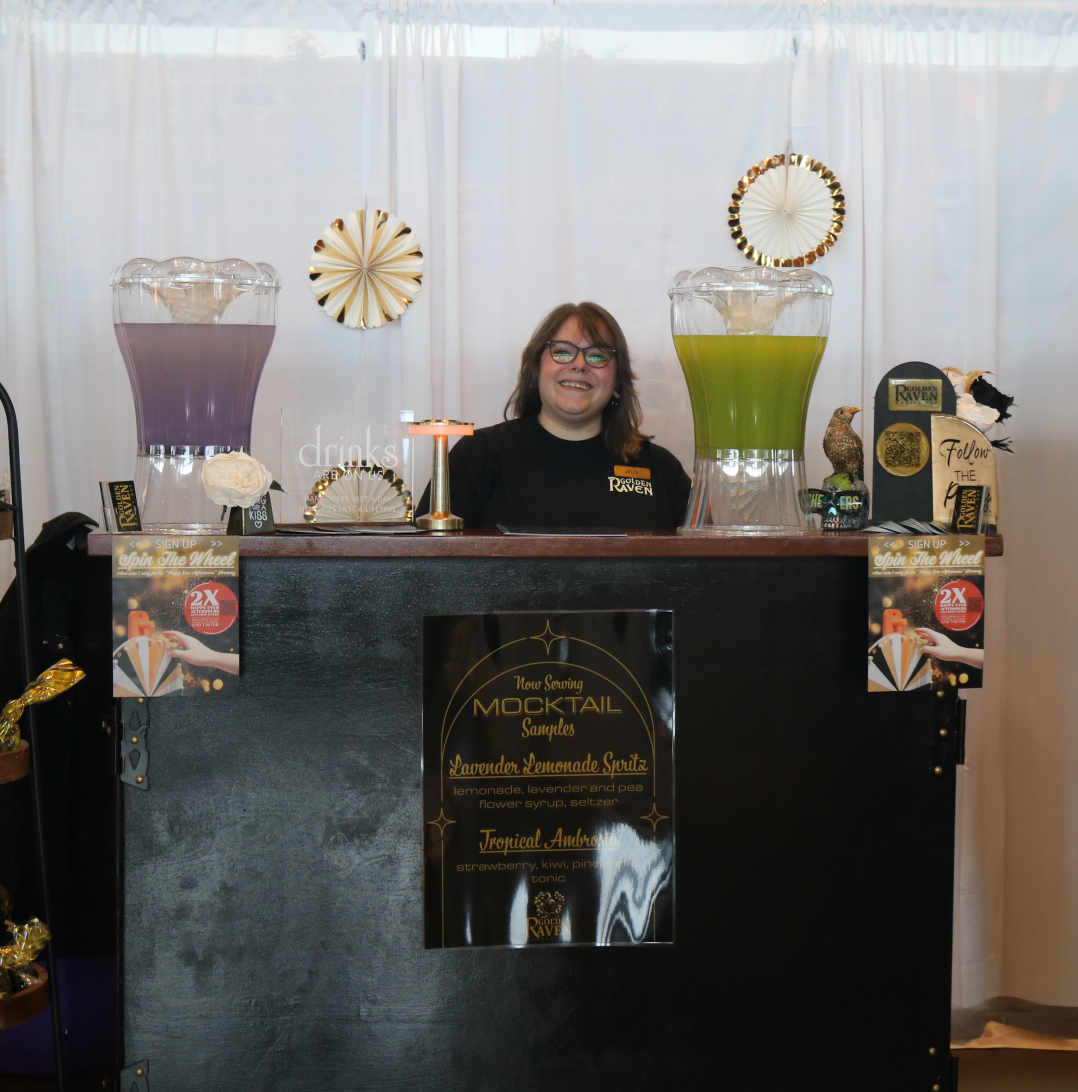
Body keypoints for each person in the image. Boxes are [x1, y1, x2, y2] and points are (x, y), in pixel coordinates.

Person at [417, 302, 691, 529]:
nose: (579, 365)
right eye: (562, 352)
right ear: (536, 369)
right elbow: (425, 565)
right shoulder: (476, 457)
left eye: (597, 356)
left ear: (618, 382)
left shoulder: (662, 469)